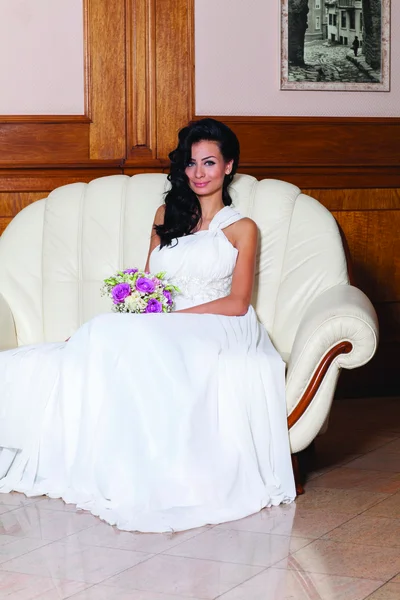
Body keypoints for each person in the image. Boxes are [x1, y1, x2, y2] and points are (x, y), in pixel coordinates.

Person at [0, 118, 296, 533]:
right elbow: (148, 286)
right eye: (191, 164)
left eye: (209, 163)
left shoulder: (242, 228)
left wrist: (169, 320)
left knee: (130, 337)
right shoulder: (165, 215)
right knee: (95, 337)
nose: (199, 173)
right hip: (162, 319)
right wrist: (127, 322)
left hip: (219, 323)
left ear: (229, 166)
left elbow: (237, 301)